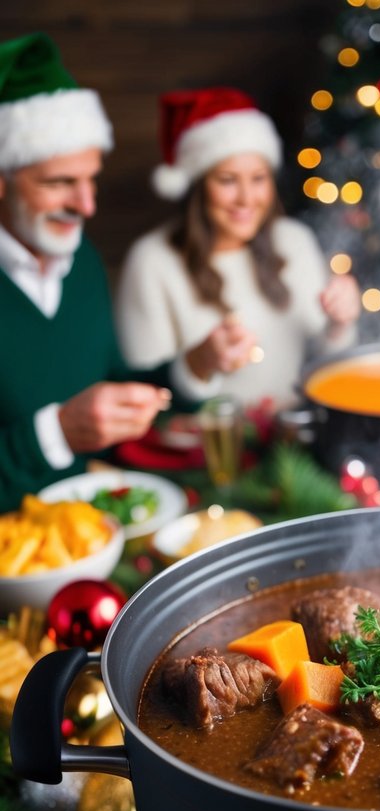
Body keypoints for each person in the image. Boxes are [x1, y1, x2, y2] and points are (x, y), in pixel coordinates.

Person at [0, 33, 249, 513]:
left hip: (96, 525)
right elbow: (68, 424)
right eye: (60, 183)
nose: (87, 205)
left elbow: (113, 386)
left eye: (91, 179)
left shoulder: (82, 263)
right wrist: (53, 434)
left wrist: (194, 366)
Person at [115, 87, 360, 411]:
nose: (247, 198)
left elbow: (324, 362)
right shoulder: (152, 261)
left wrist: (340, 323)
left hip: (292, 438)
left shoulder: (294, 241)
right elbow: (141, 387)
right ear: (198, 186)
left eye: (258, 178)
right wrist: (199, 363)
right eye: (228, 180)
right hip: (207, 448)